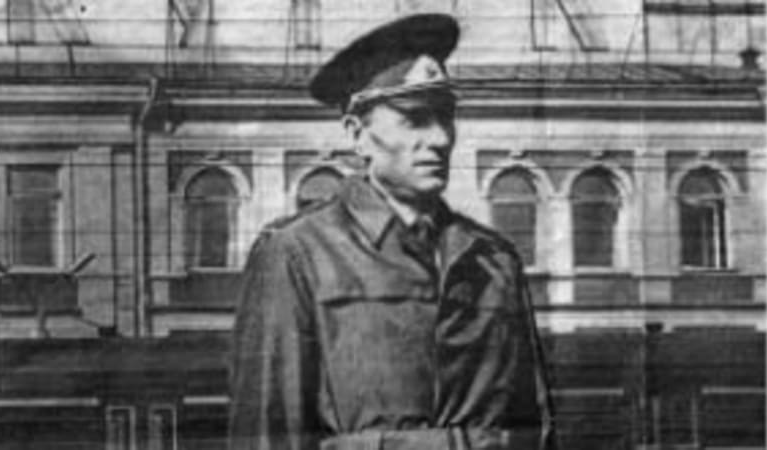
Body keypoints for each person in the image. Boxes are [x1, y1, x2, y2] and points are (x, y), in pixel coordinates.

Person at [230, 13, 555, 450]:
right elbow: (267, 435)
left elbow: (535, 430)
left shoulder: (494, 261)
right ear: (358, 135)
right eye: (415, 119)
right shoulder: (297, 255)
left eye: (445, 117)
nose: (440, 139)